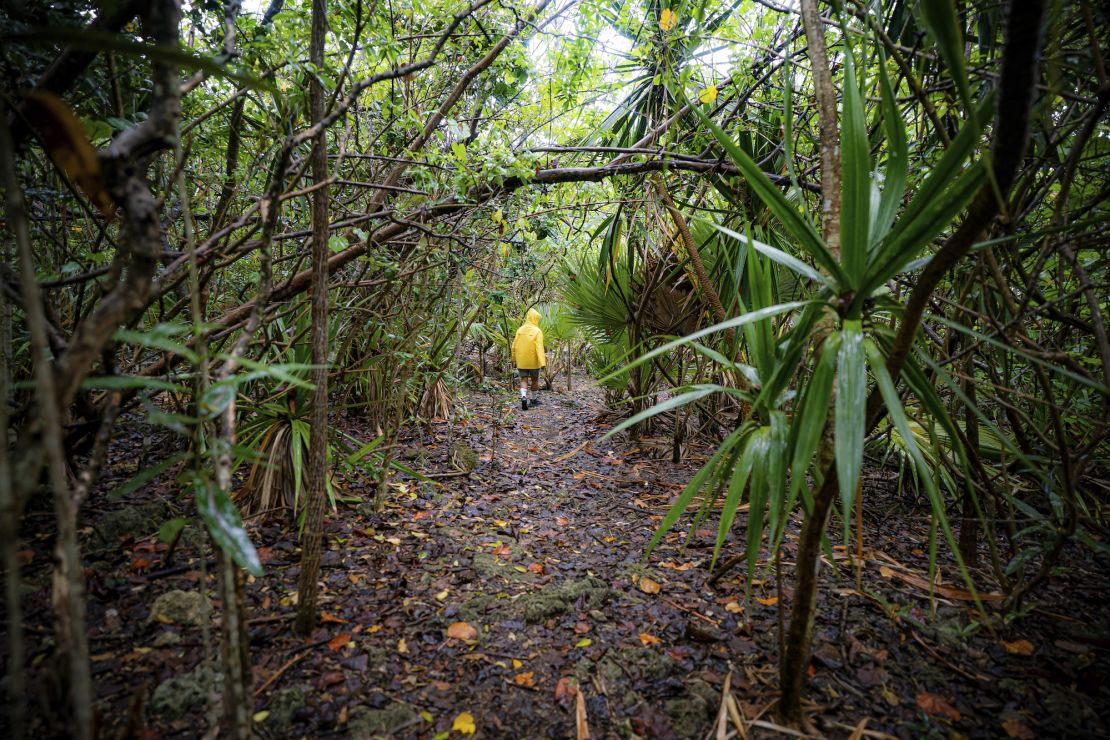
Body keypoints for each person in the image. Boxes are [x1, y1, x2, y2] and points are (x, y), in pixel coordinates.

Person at [511, 308, 545, 410]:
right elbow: (539, 347)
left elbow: (514, 346)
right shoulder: (537, 331)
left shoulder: (520, 330)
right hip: (534, 361)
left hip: (522, 360)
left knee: (523, 379)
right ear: (536, 319)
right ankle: (534, 400)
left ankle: (524, 397)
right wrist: (542, 362)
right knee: (535, 380)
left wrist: (514, 358)